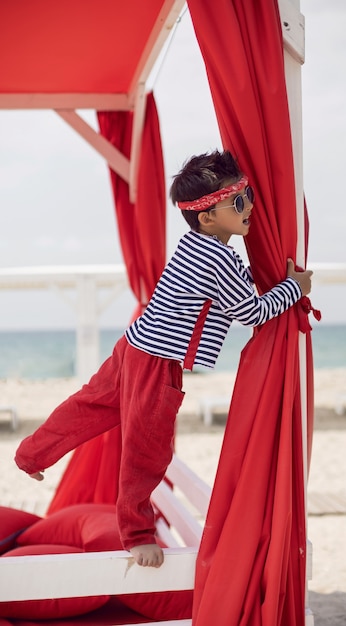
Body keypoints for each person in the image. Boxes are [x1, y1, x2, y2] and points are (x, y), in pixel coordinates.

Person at [15, 150, 313, 568]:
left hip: (133, 345)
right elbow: (251, 312)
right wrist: (294, 288)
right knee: (147, 449)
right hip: (158, 363)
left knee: (88, 407)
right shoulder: (219, 257)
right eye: (239, 202)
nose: (250, 209)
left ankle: (31, 454)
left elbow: (225, 293)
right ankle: (137, 536)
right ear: (207, 217)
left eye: (248, 196)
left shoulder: (195, 244)